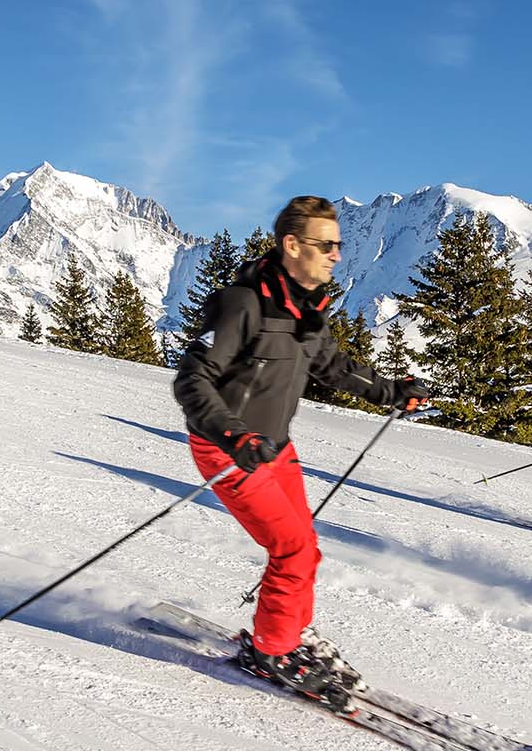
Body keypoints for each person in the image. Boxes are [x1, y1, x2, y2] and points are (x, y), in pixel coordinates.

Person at [173, 195, 430, 708]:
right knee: (290, 549)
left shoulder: (307, 308)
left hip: (275, 448)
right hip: (229, 450)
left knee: (305, 548)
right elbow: (192, 380)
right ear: (292, 245)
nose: (336, 255)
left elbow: (334, 370)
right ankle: (274, 649)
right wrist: (231, 434)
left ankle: (290, 631)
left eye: (339, 245)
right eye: (326, 245)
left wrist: (393, 393)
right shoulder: (241, 304)